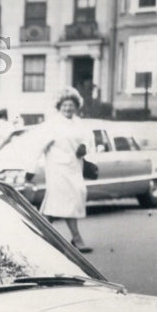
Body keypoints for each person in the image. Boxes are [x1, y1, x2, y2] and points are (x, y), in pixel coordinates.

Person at [33, 86, 92, 253]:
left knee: (68, 199)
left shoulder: (79, 123)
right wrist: (31, 167)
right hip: (57, 168)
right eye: (65, 105)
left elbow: (88, 140)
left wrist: (84, 147)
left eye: (71, 105)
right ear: (59, 106)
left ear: (76, 106)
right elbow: (39, 146)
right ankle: (77, 238)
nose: (68, 108)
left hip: (74, 166)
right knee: (63, 201)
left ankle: (41, 236)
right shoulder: (52, 124)